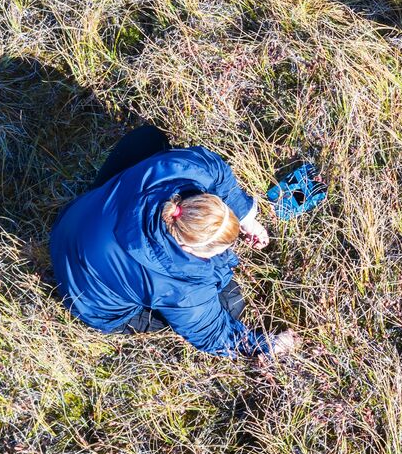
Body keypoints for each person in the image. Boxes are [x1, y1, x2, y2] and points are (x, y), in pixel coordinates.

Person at [49, 126, 297, 357]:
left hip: (74, 224)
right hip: (90, 301)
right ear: (188, 248)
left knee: (147, 139)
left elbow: (217, 169)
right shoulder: (180, 285)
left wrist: (246, 218)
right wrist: (267, 346)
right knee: (230, 301)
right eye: (221, 249)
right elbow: (214, 335)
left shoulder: (184, 169)